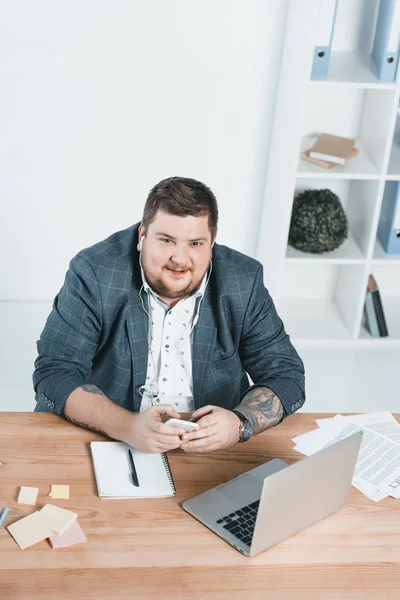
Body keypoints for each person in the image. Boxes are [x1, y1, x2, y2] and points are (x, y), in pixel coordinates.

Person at [33, 176, 305, 454]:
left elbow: (285, 374)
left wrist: (239, 423)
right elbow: (55, 372)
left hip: (209, 446)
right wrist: (127, 426)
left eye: (195, 243)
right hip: (110, 435)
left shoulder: (243, 280)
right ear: (142, 237)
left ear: (212, 243)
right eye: (166, 240)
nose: (179, 258)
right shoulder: (95, 272)